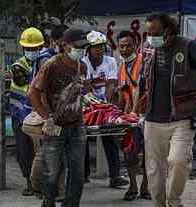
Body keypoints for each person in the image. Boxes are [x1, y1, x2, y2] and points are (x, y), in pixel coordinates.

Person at [135, 13, 196, 207]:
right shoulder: (148, 48)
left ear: (168, 30)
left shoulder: (187, 46)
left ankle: (174, 201)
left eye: (154, 33)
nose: (150, 37)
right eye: (148, 33)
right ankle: (158, 203)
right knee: (153, 169)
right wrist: (138, 111)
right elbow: (142, 81)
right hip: (152, 119)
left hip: (182, 117)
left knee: (178, 161)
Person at [28, 28, 88, 207]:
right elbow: (33, 93)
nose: (81, 50)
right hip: (55, 127)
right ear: (65, 45)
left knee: (77, 174)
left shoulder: (82, 66)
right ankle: (48, 202)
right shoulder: (52, 65)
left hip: (77, 125)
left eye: (84, 46)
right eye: (78, 46)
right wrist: (47, 118)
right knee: (52, 174)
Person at [82, 30, 129, 188]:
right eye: (96, 47)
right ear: (89, 48)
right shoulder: (83, 63)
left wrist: (107, 107)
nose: (99, 49)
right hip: (88, 104)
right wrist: (95, 106)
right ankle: (84, 174)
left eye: (102, 46)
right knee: (84, 138)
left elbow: (111, 84)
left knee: (110, 137)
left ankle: (115, 176)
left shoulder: (110, 61)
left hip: (105, 105)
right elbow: (87, 88)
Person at [9, 27, 45, 196]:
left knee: (40, 151)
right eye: (29, 49)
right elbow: (32, 86)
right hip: (21, 115)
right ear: (23, 49)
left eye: (35, 48)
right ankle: (29, 183)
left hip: (36, 115)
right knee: (24, 151)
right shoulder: (18, 66)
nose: (32, 51)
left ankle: (40, 182)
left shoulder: (43, 62)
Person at [116, 30, 150, 201]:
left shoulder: (144, 62)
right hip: (130, 118)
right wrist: (118, 115)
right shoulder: (121, 67)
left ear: (135, 45)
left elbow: (141, 90)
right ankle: (133, 186)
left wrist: (135, 112)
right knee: (130, 152)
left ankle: (145, 187)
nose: (125, 49)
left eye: (128, 45)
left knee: (149, 153)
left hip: (147, 115)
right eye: (121, 46)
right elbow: (123, 94)